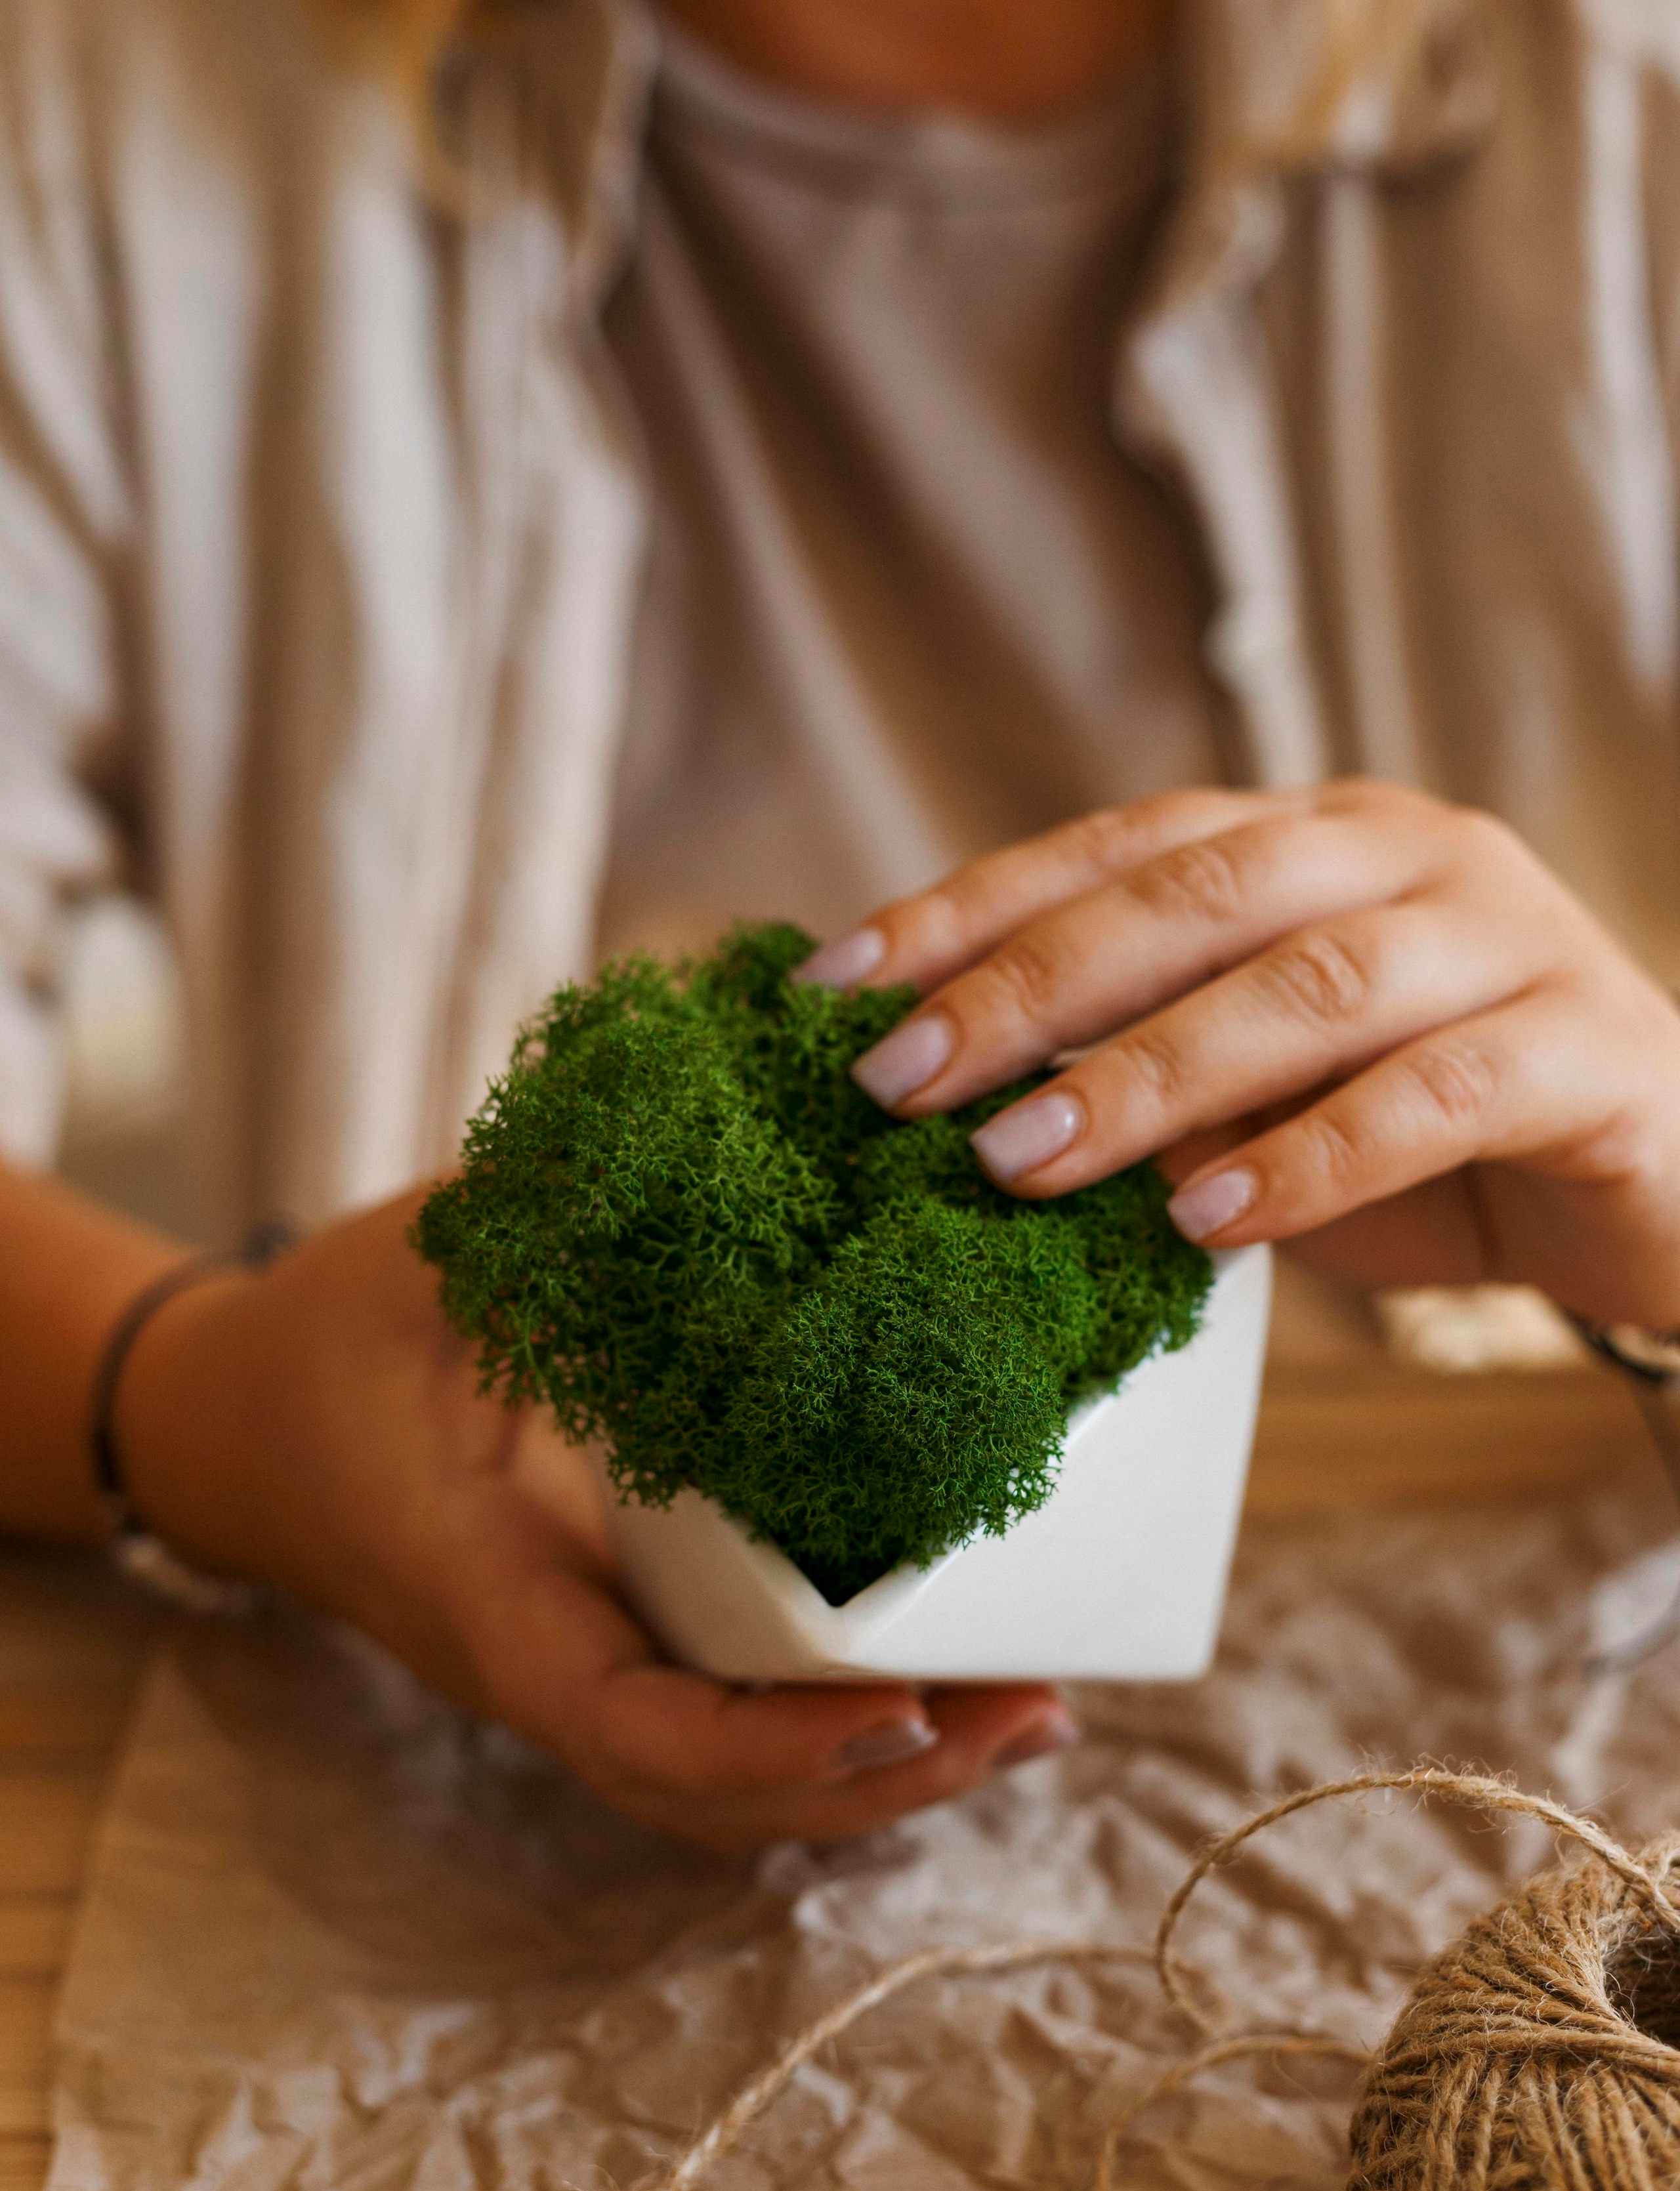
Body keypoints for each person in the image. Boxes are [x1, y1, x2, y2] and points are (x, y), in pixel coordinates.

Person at [4, 0, 1680, 1852]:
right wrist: (201, 1398)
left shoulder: (1628, 113)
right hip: (437, 1826)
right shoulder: (104, 114)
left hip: (1493, 1797)